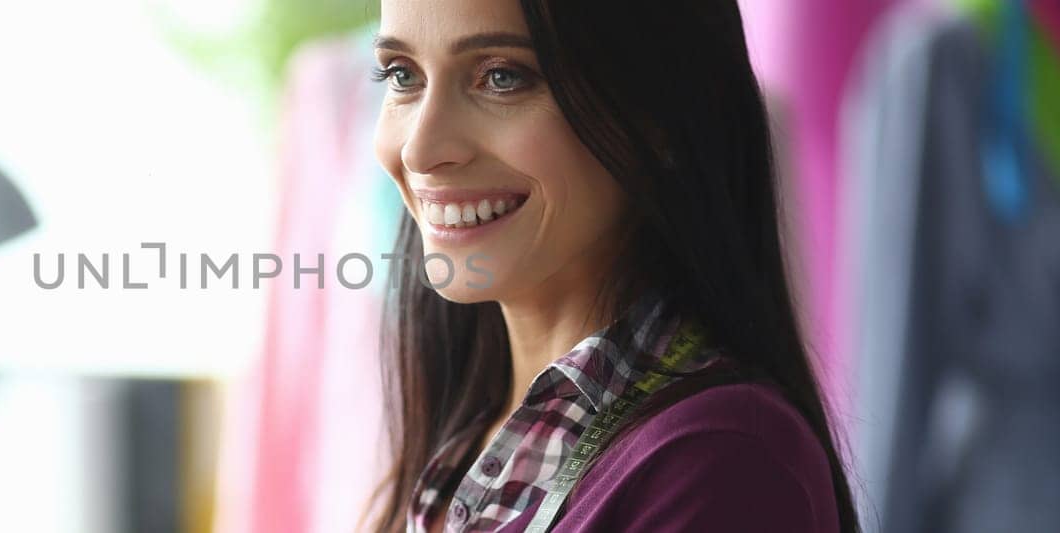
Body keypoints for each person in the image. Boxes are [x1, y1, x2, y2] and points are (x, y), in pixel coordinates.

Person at [366, 0, 859, 531]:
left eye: (502, 77)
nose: (420, 149)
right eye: (402, 75)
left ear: (662, 116)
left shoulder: (722, 464)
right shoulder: (457, 439)